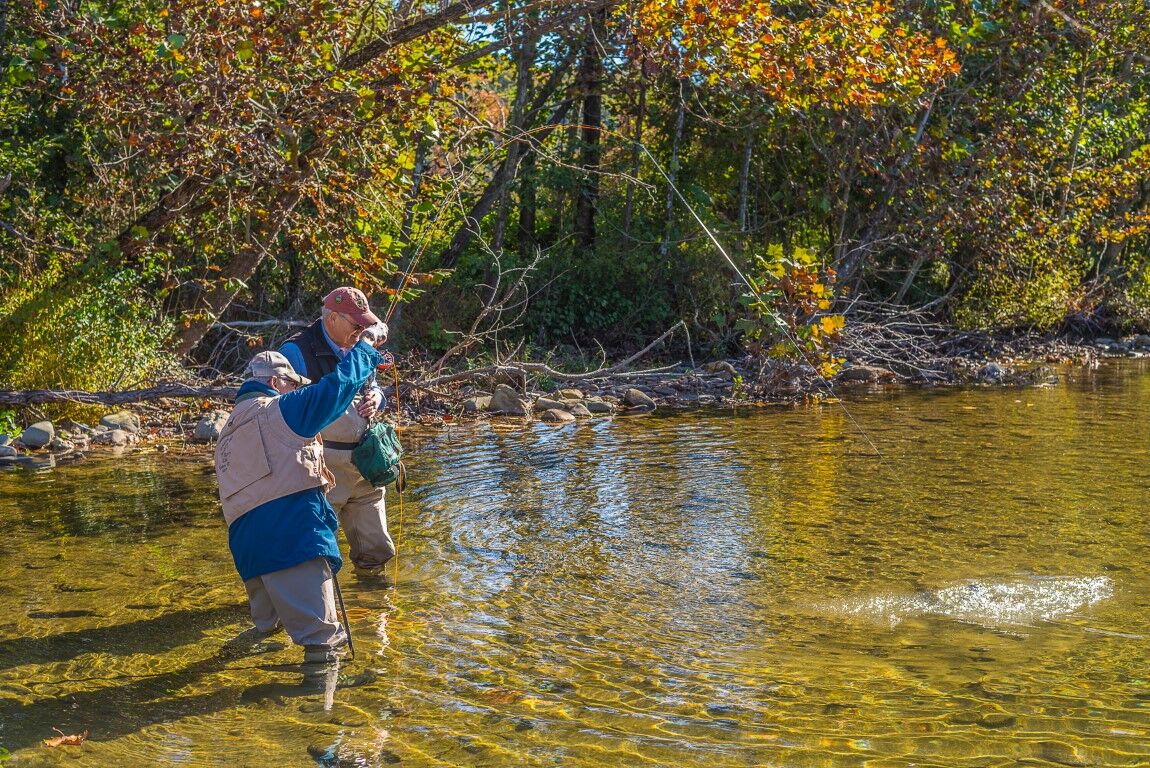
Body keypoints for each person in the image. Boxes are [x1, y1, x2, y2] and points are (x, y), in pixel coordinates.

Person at [215, 341, 383, 663]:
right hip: (290, 539)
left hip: (248, 551)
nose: (295, 391)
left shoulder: (227, 432)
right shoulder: (282, 409)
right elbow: (336, 388)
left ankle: (229, 668)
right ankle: (320, 711)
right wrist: (365, 348)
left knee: (269, 627)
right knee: (325, 642)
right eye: (293, 385)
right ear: (276, 383)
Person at [279, 287, 396, 580]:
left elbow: (374, 383)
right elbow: (286, 412)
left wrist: (377, 398)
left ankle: (374, 612)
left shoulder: (361, 345)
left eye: (365, 324)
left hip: (366, 463)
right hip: (321, 470)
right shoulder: (295, 352)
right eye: (356, 324)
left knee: (377, 550)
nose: (362, 330)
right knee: (316, 556)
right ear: (332, 318)